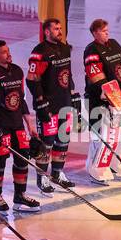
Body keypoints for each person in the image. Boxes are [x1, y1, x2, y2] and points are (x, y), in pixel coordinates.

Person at [0, 39, 40, 213]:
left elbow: (21, 100)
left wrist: (30, 125)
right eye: (4, 52)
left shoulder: (17, 71)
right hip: (0, 126)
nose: (8, 53)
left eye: (8, 50)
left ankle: (20, 196)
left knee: (22, 160)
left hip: (17, 125)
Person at [83, 19, 121, 184]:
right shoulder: (91, 51)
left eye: (107, 30)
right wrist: (108, 95)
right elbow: (96, 78)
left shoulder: (114, 44)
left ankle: (118, 161)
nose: (107, 33)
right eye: (103, 31)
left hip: (119, 97)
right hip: (100, 99)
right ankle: (95, 166)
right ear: (95, 33)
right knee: (103, 134)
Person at [27, 18, 79, 194]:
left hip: (64, 103)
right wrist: (41, 102)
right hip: (48, 106)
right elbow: (32, 79)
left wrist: (73, 94)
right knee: (46, 143)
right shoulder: (39, 52)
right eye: (56, 29)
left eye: (60, 28)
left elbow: (67, 74)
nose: (60, 31)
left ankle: (57, 173)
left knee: (62, 140)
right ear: (47, 32)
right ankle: (42, 177)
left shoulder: (64, 48)